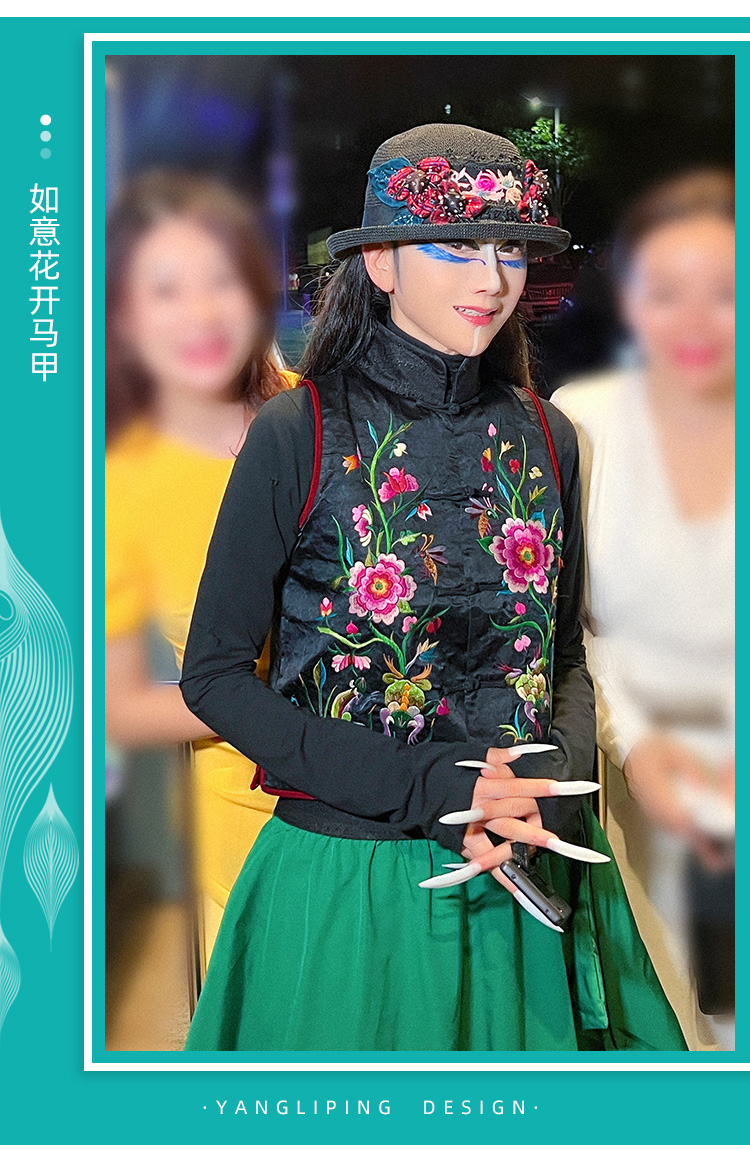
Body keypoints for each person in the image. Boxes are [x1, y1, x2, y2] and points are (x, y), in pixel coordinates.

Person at [179, 124, 686, 1052]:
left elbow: (562, 652)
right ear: (379, 264)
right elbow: (213, 676)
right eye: (456, 244)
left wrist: (547, 781)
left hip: (531, 868)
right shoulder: (297, 432)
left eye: (510, 249)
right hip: (355, 881)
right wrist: (423, 783)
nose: (491, 279)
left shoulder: (547, 434)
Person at [553, 170, 734, 1050]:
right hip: (645, 778)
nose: (695, 320)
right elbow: (570, 625)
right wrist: (636, 741)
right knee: (672, 1023)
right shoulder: (582, 422)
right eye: (666, 292)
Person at [105, 170, 291, 963]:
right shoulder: (118, 481)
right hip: (249, 826)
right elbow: (121, 707)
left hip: (402, 802)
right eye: (165, 290)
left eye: (221, 280)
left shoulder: (327, 414)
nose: (201, 314)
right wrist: (283, 717)